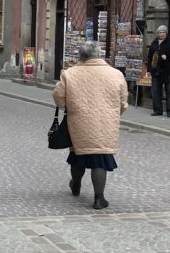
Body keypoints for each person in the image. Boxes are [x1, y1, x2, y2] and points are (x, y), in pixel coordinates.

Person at [53, 41, 128, 210]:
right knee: (100, 158)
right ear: (99, 54)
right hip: (105, 124)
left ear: (81, 55)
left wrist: (71, 105)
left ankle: (76, 184)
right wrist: (111, 115)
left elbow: (59, 99)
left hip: (78, 122)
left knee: (78, 155)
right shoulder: (115, 74)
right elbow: (123, 103)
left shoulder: (70, 74)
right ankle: (99, 198)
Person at [147, 24, 170, 117]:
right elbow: (149, 57)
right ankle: (157, 110)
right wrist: (149, 70)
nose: (161, 34)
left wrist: (168, 57)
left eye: (163, 32)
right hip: (156, 71)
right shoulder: (154, 43)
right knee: (155, 92)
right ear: (158, 33)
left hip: (168, 71)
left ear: (166, 33)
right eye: (160, 32)